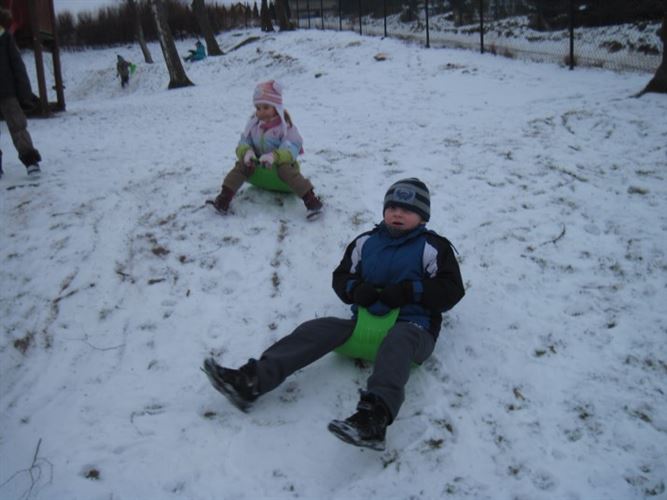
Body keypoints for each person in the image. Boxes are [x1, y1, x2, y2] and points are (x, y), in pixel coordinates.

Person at [203, 178, 465, 450]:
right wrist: (356, 290)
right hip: (364, 326)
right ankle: (253, 380)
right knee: (316, 329)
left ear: (423, 216)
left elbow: (451, 289)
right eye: (392, 207)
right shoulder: (366, 243)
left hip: (413, 329)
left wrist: (410, 291)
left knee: (398, 340)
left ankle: (374, 418)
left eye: (407, 209)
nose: (398, 213)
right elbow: (341, 277)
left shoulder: (433, 248)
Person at [210, 80, 323, 219]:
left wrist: (274, 156)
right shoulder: (253, 126)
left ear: (276, 107)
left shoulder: (286, 128)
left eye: (266, 107)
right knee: (241, 165)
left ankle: (312, 202)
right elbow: (243, 141)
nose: (261, 112)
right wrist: (247, 152)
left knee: (285, 168)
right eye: (258, 108)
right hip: (258, 172)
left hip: (281, 178)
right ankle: (223, 199)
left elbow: (292, 148)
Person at [0, 7, 42, 177]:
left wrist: (24, 94)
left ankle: (30, 160)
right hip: (7, 91)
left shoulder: (5, 38)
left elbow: (18, 66)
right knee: (18, 126)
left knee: (17, 126)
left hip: (6, 92)